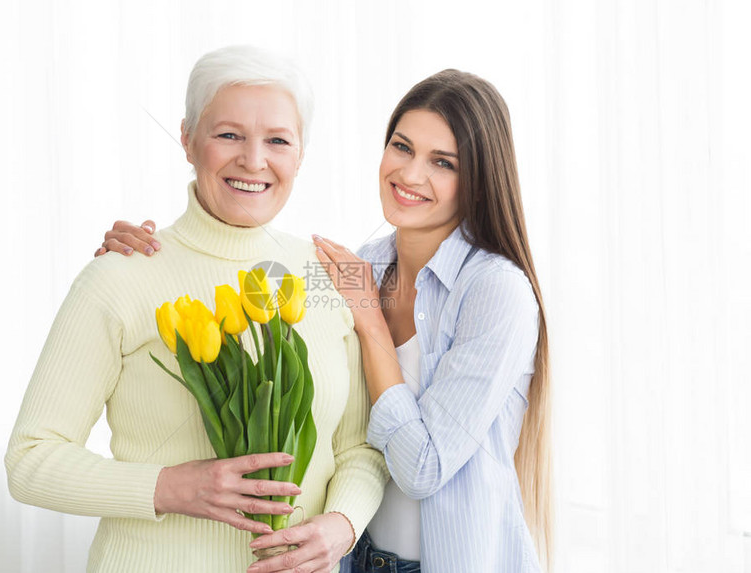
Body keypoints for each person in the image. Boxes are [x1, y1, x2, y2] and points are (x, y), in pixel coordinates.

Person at [103, 69, 552, 573]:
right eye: (402, 147)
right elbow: (243, 261)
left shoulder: (496, 290)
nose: (409, 174)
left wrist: (372, 324)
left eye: (442, 162)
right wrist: (143, 254)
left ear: (478, 179)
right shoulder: (362, 264)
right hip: (350, 557)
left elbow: (421, 469)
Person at [6, 45, 387, 573]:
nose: (254, 160)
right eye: (228, 134)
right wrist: (171, 487)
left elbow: (361, 450)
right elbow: (30, 460)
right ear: (187, 139)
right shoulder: (119, 276)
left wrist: (341, 526)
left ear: (301, 153)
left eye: (277, 140)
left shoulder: (330, 274)